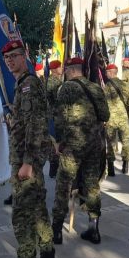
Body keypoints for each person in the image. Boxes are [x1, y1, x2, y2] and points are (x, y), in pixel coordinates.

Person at [0, 40, 58, 258]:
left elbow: (35, 125)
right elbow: (27, 122)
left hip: (26, 162)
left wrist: (28, 163)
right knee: (39, 213)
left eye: (15, 56)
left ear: (25, 57)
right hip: (27, 159)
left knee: (22, 217)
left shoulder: (29, 86)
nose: (10, 61)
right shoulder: (24, 85)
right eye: (7, 58)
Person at [53, 57, 110, 245]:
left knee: (64, 185)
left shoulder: (67, 88)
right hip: (93, 144)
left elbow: (60, 119)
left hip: (72, 145)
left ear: (70, 70)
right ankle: (94, 227)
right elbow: (105, 115)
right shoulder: (95, 88)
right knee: (92, 184)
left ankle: (56, 231)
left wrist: (59, 142)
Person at [103, 63, 129, 175]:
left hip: (110, 119)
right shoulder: (125, 85)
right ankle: (125, 165)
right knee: (126, 141)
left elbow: (104, 103)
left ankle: (111, 168)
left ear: (111, 72)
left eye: (107, 72)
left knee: (111, 143)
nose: (105, 74)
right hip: (123, 118)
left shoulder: (107, 86)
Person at [45, 60, 64, 178]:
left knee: (53, 143)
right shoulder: (54, 82)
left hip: (53, 115)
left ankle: (53, 169)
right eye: (60, 67)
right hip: (55, 116)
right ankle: (54, 169)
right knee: (55, 142)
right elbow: (58, 100)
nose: (62, 69)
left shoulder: (54, 81)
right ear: (54, 70)